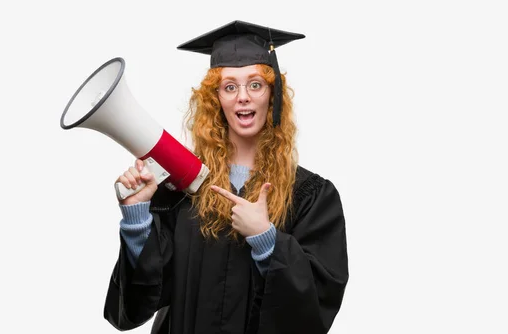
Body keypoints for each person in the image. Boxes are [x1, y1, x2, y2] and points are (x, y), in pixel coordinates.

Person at [103, 20, 349, 334]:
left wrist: (266, 240)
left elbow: (316, 310)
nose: (242, 96)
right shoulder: (182, 190)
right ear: (215, 99)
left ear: (273, 97)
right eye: (230, 86)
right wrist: (138, 218)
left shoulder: (311, 196)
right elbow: (136, 307)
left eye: (256, 84)